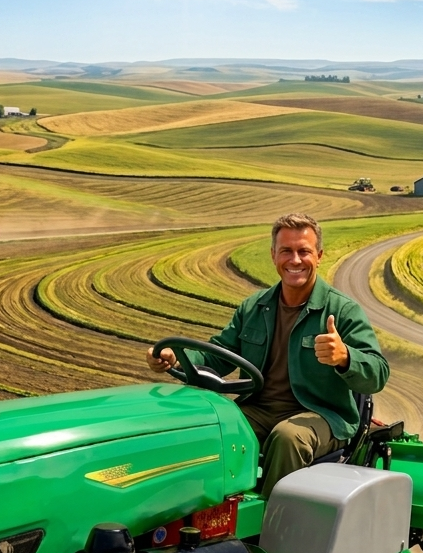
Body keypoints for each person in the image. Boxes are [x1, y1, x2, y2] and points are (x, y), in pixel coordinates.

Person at [146, 212, 389, 498]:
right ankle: (205, 516)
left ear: (319, 256)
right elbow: (217, 358)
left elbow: (378, 374)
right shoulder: (254, 307)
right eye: (286, 251)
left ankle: (271, 526)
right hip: (260, 408)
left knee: (288, 438)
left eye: (304, 251)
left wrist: (345, 357)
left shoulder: (342, 311)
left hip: (322, 414)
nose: (295, 260)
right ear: (274, 255)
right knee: (214, 430)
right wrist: (175, 359)